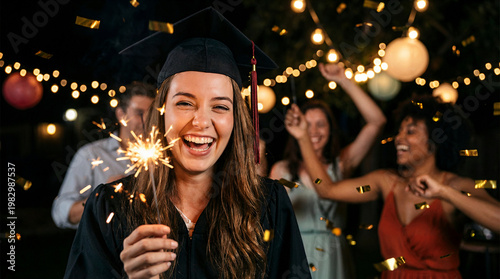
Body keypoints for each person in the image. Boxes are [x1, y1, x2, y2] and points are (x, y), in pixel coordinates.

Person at [63, 7, 311, 279]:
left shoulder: (268, 205)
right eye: (184, 103)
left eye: (220, 107)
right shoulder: (110, 207)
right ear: (160, 112)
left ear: (236, 120)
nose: (201, 122)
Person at [285, 95, 500, 278]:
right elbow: (327, 190)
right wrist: (303, 137)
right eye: (400, 131)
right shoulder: (386, 182)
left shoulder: (456, 185)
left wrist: (444, 193)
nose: (399, 138)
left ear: (435, 141)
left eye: (411, 131)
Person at [269, 63, 386, 279]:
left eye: (321, 124)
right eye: (308, 124)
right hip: (294, 252)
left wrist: (344, 80)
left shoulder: (341, 164)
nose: (313, 131)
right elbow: (270, 217)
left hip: (332, 255)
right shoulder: (282, 169)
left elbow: (377, 121)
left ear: (331, 129)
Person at [51, 81, 156, 229]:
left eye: (151, 114)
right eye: (139, 113)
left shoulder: (163, 157)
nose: (147, 121)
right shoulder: (91, 155)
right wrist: (101, 197)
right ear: (121, 114)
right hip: (107, 249)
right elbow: (60, 213)